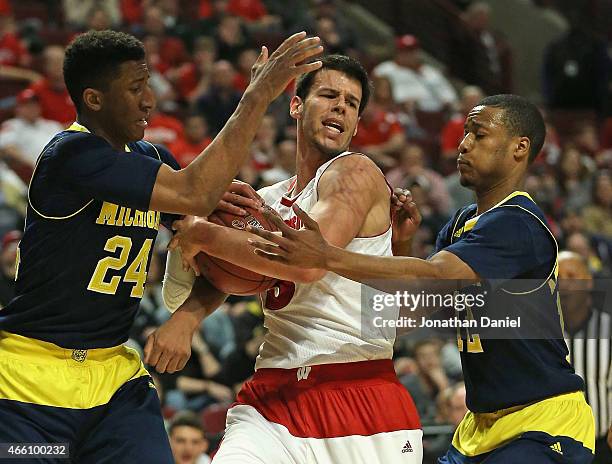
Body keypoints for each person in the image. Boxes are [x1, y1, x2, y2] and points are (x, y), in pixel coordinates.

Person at [0, 29, 322, 463]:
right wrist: (258, 94)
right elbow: (194, 193)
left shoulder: (155, 161)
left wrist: (187, 319)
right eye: (135, 89)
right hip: (26, 382)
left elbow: (217, 257)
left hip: (114, 381)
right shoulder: (70, 156)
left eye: (148, 83)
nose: (149, 100)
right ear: (94, 100)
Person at [247, 94, 596, 463]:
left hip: (542, 423)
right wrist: (404, 244)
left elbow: (437, 274)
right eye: (465, 133)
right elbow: (411, 312)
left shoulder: (519, 223)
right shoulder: (461, 224)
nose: (463, 144)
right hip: (481, 427)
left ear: (519, 148)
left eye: (479, 134)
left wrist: (327, 256)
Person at [147, 54, 423, 463]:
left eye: (351, 102)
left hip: (359, 392)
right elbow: (237, 269)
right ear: (296, 105)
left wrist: (204, 233)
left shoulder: (357, 172)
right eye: (329, 94)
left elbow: (308, 262)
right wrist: (187, 318)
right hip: (273, 396)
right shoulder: (269, 200)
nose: (341, 106)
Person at [558, 251, 611, 464]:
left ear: (589, 282)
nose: (564, 284)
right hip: (555, 447)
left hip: (604, 445)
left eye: (572, 276)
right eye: (558, 278)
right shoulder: (541, 336)